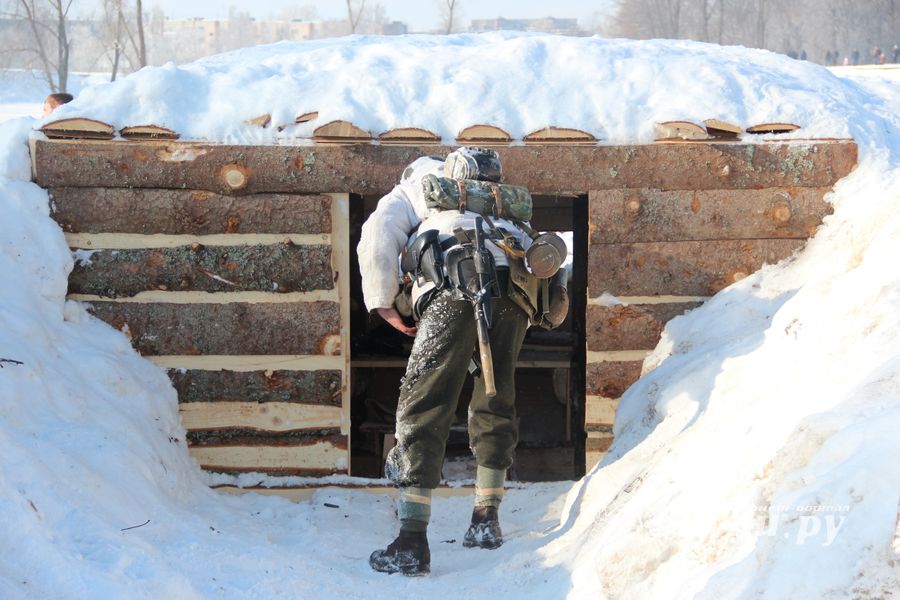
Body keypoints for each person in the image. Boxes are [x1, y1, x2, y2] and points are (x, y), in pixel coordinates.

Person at [358, 147, 560, 576]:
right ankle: (486, 520)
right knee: (495, 396)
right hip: (513, 295)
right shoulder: (503, 204)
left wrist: (381, 301)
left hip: (451, 287)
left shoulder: (417, 188)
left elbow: (378, 233)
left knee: (425, 400)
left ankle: (412, 540)